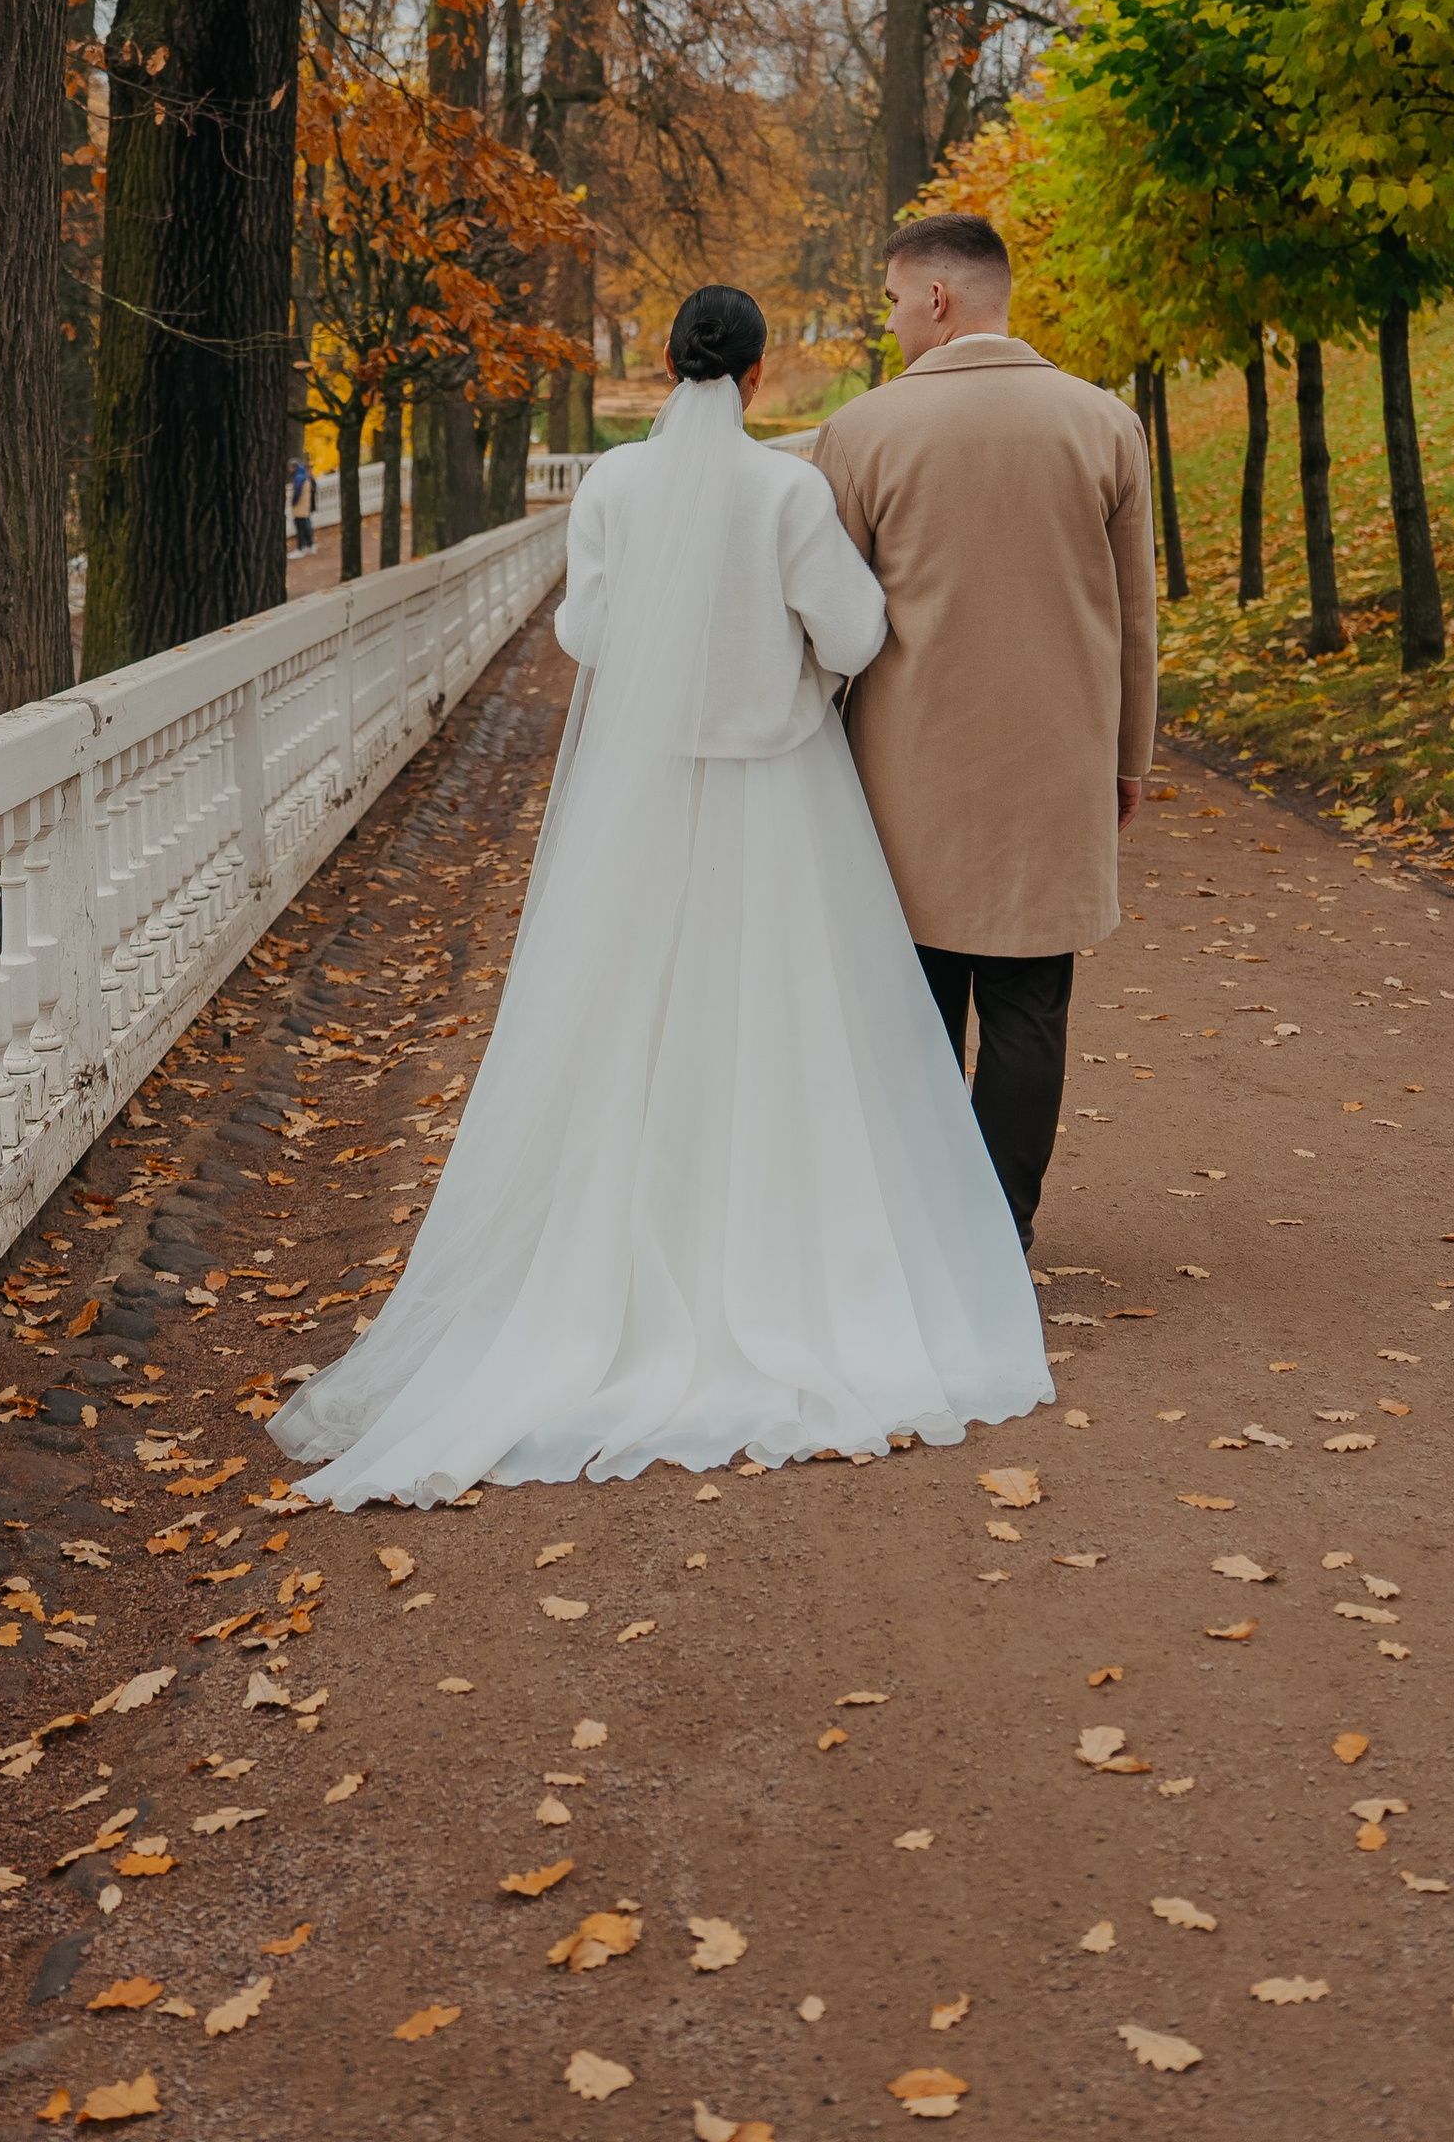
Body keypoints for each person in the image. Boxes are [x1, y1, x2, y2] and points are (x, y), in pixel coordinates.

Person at [270, 281, 1052, 1507]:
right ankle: (794, 1259)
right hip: (775, 802)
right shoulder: (786, 491)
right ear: (749, 380)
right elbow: (850, 636)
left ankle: (610, 1264)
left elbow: (585, 634)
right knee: (786, 1018)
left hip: (644, 803)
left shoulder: (615, 490)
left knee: (627, 1015)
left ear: (677, 366)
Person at [812, 211, 1156, 1256]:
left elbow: (828, 625)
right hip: (1054, 769)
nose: (891, 322)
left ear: (937, 298)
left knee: (912, 1010)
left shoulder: (863, 431)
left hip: (901, 775)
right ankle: (995, 1235)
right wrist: (1126, 761)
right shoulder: (1102, 423)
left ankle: (915, 1227)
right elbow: (1135, 615)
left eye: (890, 300)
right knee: (1027, 1007)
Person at [287, 452, 315, 557]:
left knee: (301, 526)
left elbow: (297, 491)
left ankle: (301, 547)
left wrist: (293, 501)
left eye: (290, 467)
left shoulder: (299, 477)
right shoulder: (304, 475)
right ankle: (309, 544)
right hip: (304, 506)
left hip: (300, 506)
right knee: (306, 524)